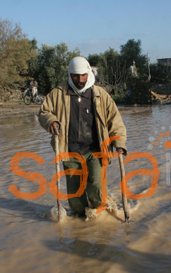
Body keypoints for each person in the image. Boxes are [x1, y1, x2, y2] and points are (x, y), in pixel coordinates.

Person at [38, 56, 127, 217]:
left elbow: (115, 120)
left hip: (95, 150)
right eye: (76, 76)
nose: (80, 79)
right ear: (70, 75)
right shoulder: (58, 93)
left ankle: (100, 218)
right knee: (74, 195)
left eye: (83, 75)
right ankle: (79, 221)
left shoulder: (100, 94)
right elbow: (44, 111)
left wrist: (119, 142)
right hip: (70, 150)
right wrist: (51, 121)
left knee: (96, 186)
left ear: (88, 73)